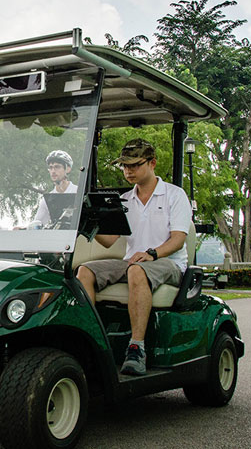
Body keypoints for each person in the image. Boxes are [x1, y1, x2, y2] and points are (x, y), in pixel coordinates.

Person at [76, 138, 192, 376]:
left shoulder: (174, 195)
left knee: (136, 270)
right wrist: (91, 225)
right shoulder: (125, 200)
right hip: (133, 261)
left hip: (168, 263)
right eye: (124, 166)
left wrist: (152, 253)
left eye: (134, 165)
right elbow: (110, 240)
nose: (128, 170)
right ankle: (91, 342)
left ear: (152, 164)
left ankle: (136, 348)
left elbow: (178, 239)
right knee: (84, 271)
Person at [34, 150, 78, 227]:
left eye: (57, 167)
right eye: (51, 168)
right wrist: (23, 228)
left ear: (67, 169)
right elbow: (37, 223)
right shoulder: (48, 199)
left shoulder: (78, 192)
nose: (53, 171)